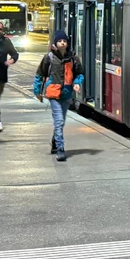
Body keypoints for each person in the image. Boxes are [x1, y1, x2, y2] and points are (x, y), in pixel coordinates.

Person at [33, 30, 84, 162]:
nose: (62, 43)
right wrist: (37, 91)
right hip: (53, 93)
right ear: (55, 43)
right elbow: (40, 75)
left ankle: (55, 141)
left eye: (64, 41)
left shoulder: (73, 58)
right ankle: (60, 149)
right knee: (59, 121)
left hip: (66, 94)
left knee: (61, 122)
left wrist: (77, 83)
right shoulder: (49, 57)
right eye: (60, 41)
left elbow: (79, 73)